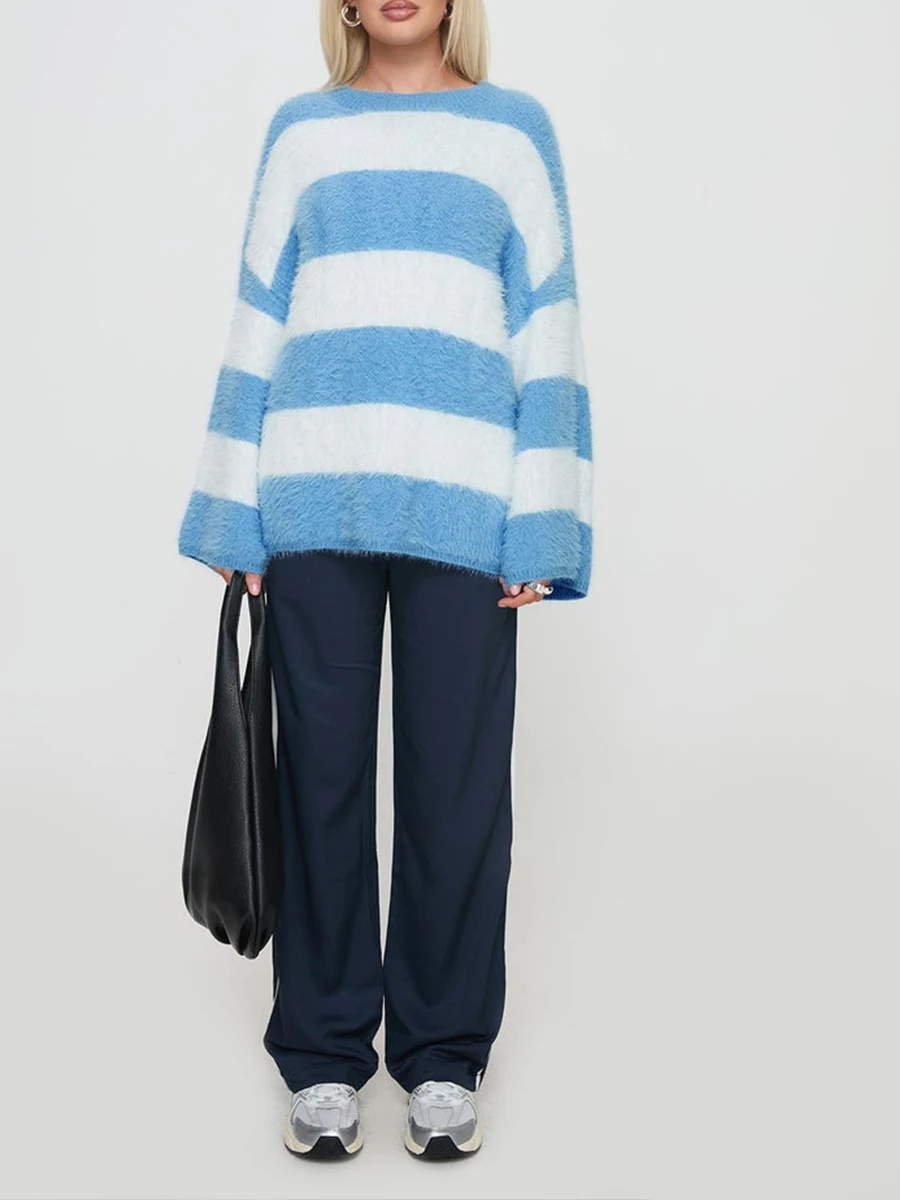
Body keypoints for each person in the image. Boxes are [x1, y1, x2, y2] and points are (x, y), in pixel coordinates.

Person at [177, 0, 593, 1161]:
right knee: (318, 781)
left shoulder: (514, 131)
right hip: (314, 498)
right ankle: (321, 1055)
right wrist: (232, 504)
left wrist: (543, 526)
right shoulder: (301, 131)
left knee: (458, 793)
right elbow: (259, 317)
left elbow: (549, 326)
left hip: (468, 506)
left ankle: (444, 1056)